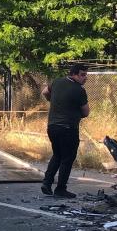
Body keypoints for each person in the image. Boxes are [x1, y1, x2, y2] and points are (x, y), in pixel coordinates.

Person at [41, 63, 90, 198]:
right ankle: (60, 188)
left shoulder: (57, 82)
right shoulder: (79, 90)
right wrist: (75, 112)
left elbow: (45, 92)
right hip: (68, 128)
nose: (85, 78)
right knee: (67, 158)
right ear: (73, 74)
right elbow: (86, 112)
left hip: (52, 127)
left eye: (86, 75)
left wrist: (54, 101)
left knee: (57, 154)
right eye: (82, 75)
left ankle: (46, 182)